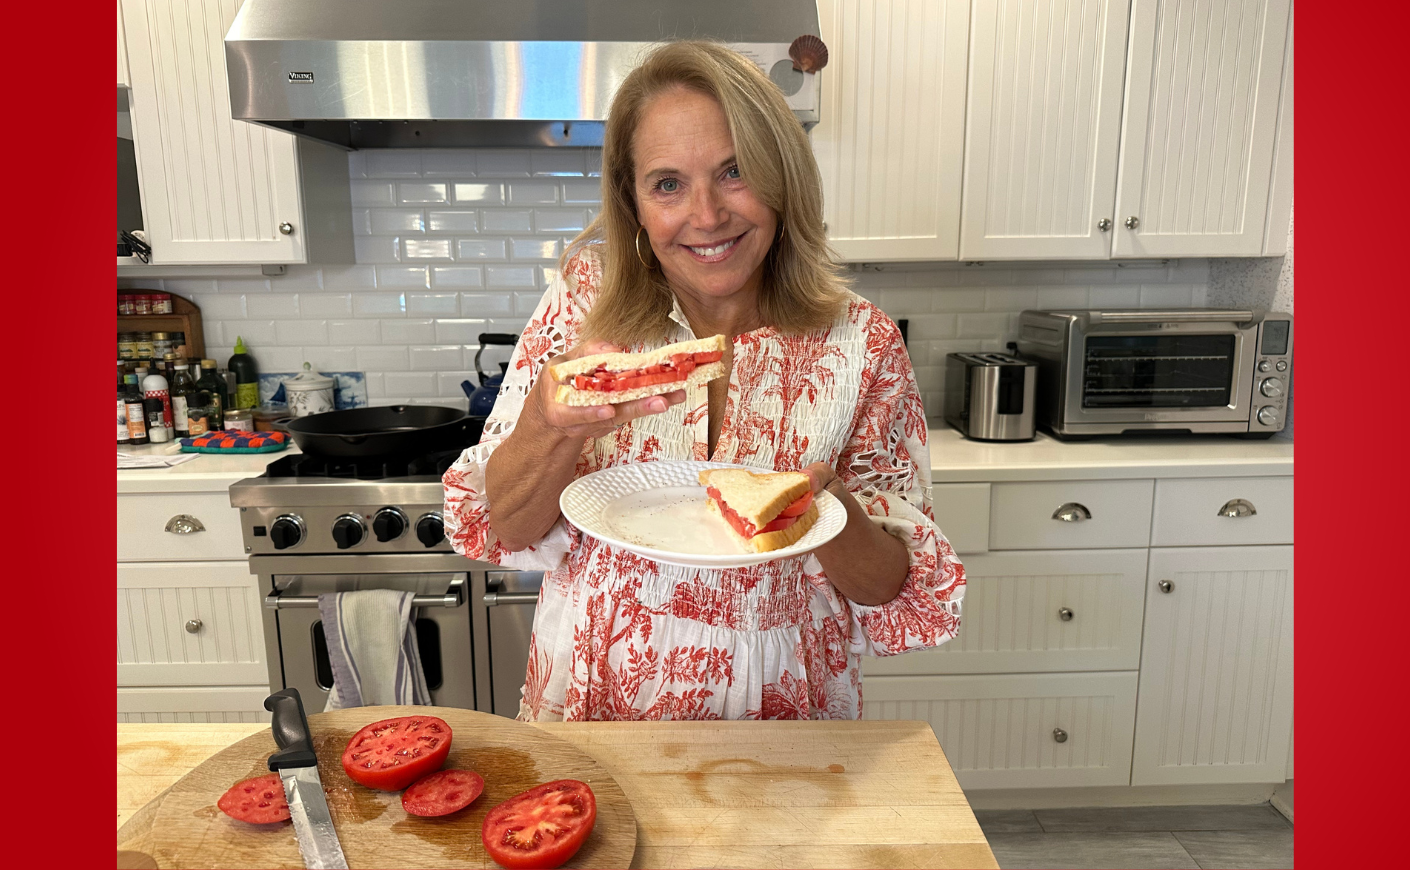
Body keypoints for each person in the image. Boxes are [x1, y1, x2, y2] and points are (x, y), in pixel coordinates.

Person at [443, 40, 965, 721]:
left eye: (735, 172)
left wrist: (827, 511)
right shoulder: (583, 304)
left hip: (789, 717)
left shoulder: (861, 340)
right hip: (600, 708)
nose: (708, 215)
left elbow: (892, 588)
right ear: (633, 203)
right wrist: (549, 424)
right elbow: (503, 529)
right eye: (667, 184)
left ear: (784, 178)